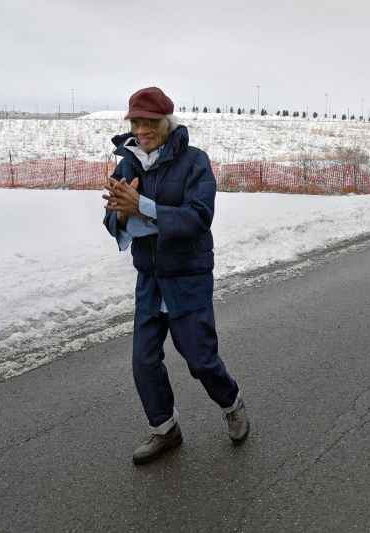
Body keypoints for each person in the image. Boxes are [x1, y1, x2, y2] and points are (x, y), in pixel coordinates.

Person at [103, 86, 249, 465]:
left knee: (199, 358)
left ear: (167, 122)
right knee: (143, 361)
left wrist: (143, 206)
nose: (143, 128)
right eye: (136, 121)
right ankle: (165, 429)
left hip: (188, 276)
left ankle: (231, 401)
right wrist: (120, 213)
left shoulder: (195, 162)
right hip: (150, 277)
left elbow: (199, 217)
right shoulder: (128, 164)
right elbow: (113, 217)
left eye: (150, 121)